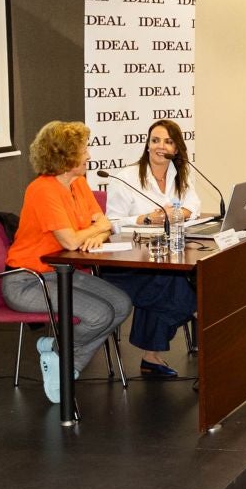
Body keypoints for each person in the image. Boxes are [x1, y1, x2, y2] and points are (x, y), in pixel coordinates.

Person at [2, 120, 133, 403]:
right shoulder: (42, 190)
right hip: (27, 281)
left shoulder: (78, 184)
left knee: (122, 305)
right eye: (84, 150)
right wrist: (94, 230)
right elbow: (71, 242)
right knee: (99, 315)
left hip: (62, 272)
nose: (89, 155)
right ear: (64, 156)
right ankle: (64, 363)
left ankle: (62, 360)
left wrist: (98, 230)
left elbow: (105, 224)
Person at [96, 120, 202, 377]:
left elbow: (194, 205)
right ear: (147, 145)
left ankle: (151, 357)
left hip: (163, 253)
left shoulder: (180, 174)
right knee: (177, 282)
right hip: (127, 262)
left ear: (176, 148)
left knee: (180, 274)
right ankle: (199, 314)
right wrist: (144, 219)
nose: (159, 146)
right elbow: (112, 223)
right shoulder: (127, 178)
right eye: (155, 140)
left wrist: (177, 213)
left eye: (167, 141)